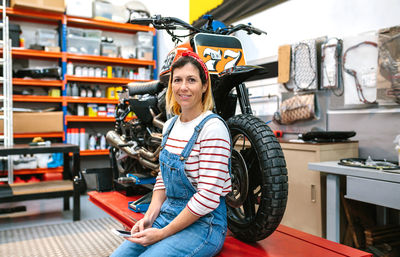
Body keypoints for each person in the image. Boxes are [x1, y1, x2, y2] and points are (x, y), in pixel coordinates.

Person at [110, 50, 232, 257]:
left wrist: (162, 233)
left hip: (205, 224)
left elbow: (208, 196)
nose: (183, 87)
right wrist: (149, 217)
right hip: (168, 214)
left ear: (204, 86)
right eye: (178, 80)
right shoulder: (170, 125)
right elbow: (163, 178)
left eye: (191, 80)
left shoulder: (212, 128)